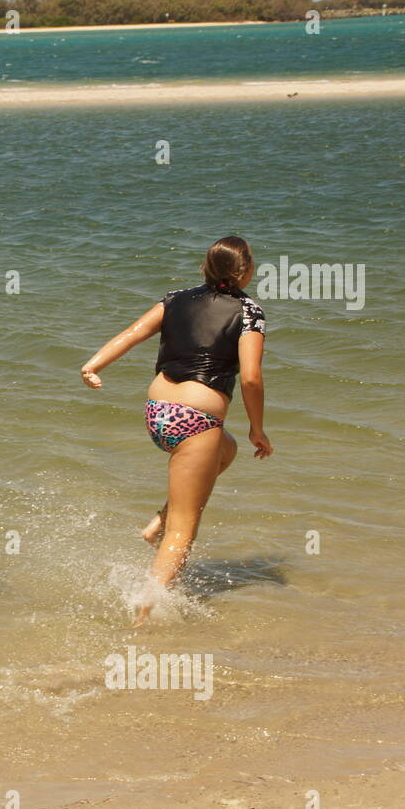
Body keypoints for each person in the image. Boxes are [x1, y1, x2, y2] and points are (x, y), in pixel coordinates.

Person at [80, 237, 273, 625]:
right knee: (185, 532)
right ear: (247, 271)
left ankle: (159, 520)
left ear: (206, 267)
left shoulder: (175, 298)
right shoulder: (250, 312)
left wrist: (92, 365)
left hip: (159, 414)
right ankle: (145, 611)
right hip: (197, 423)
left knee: (226, 449)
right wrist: (258, 429)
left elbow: (134, 332)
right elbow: (251, 379)